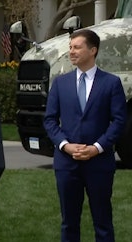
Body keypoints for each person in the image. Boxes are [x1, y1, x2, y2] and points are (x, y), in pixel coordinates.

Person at [43, 29, 127, 242]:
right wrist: (65, 145)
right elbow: (50, 120)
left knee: (103, 221)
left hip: (99, 163)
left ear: (93, 50)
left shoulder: (111, 83)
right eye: (70, 47)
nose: (71, 51)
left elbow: (119, 121)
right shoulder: (60, 83)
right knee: (69, 222)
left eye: (77, 47)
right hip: (66, 163)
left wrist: (96, 148)